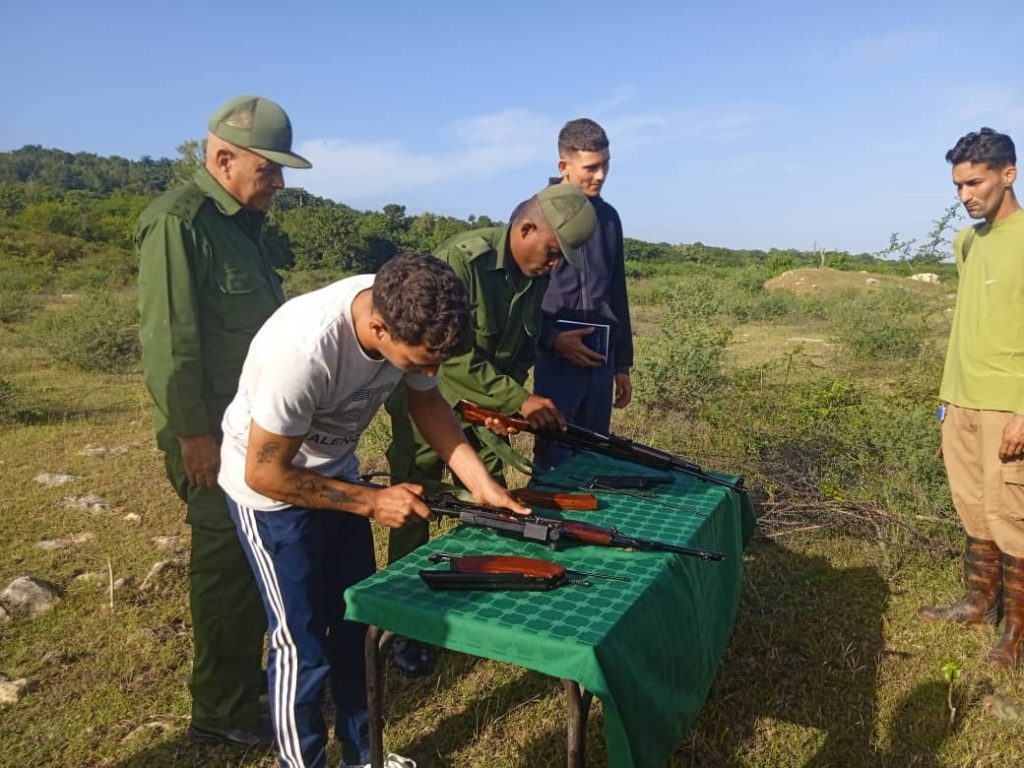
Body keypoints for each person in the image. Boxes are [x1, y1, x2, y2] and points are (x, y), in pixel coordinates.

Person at [218, 252, 528, 768]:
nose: (428, 373)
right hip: (272, 500)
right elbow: (265, 473)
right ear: (378, 328)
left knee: (356, 624)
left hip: (337, 475)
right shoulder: (302, 351)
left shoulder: (413, 311)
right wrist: (371, 501)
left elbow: (428, 404)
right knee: (301, 640)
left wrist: (483, 485)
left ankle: (365, 756)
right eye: (419, 362)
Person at [136, 95, 311, 747]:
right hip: (211, 436)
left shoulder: (243, 228)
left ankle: (249, 690)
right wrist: (192, 436)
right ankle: (222, 713)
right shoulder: (178, 224)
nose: (279, 183)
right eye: (269, 170)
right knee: (226, 575)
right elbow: (170, 342)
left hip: (256, 431)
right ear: (223, 157)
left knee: (254, 561)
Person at [383, 183, 597, 674]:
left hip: (488, 411)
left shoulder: (534, 272)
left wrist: (553, 339)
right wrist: (518, 398)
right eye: (552, 252)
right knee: (419, 502)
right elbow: (448, 357)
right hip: (429, 400)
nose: (555, 266)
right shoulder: (461, 264)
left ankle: (470, 599)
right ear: (525, 229)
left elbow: (521, 328)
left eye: (561, 259)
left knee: (488, 502)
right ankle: (406, 623)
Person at [918, 127, 1024, 668]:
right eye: (958, 185)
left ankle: (1017, 635)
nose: (965, 196)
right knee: (975, 510)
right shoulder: (966, 243)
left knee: (1012, 514)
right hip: (960, 402)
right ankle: (978, 606)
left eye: (974, 182)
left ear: (1009, 174)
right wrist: (946, 405)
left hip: (1009, 406)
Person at [533, 118, 634, 469]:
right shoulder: (536, 214)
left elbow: (616, 291)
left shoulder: (609, 218)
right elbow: (518, 298)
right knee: (554, 460)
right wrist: (554, 339)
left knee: (593, 458)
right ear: (564, 165)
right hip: (556, 357)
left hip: (601, 357)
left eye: (606, 164)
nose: (601, 175)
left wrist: (623, 364)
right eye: (591, 167)